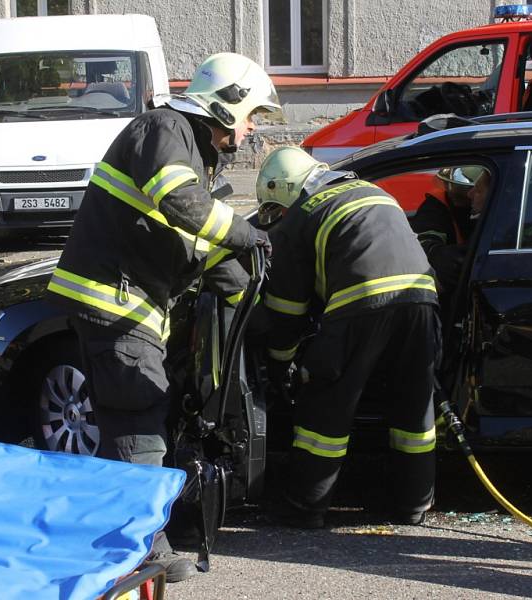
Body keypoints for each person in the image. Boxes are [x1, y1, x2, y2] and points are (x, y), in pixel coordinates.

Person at [46, 52, 279, 583]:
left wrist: (262, 296)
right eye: (250, 116)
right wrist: (248, 234)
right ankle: (142, 549)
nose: (249, 130)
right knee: (138, 417)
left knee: (125, 422)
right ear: (227, 104)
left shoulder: (191, 153)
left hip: (126, 307)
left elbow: (206, 255)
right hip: (113, 303)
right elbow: (183, 205)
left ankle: (112, 541)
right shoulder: (163, 127)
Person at [256, 146, 441, 529]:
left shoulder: (303, 215)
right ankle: (413, 505)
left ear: (285, 190)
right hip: (422, 299)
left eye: (275, 209)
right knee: (414, 407)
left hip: (361, 304)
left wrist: (279, 363)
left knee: (326, 405)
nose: (276, 220)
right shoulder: (372, 191)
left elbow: (287, 310)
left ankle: (305, 507)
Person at [410, 166, 490, 299]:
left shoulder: (499, 224)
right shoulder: (434, 209)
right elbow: (423, 249)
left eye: (478, 190)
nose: (470, 194)